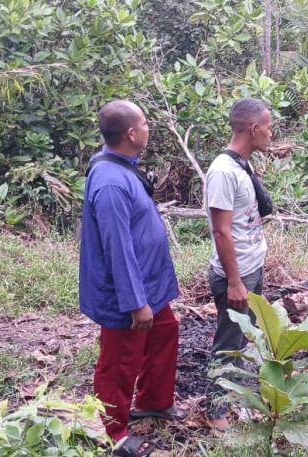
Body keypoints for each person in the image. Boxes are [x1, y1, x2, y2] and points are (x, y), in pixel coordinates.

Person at [79, 100, 183, 457]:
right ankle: (114, 435)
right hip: (128, 293)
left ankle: (154, 402)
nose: (149, 126)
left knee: (166, 330)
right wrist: (136, 304)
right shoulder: (109, 183)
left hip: (150, 284)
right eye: (145, 122)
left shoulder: (123, 166)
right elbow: (117, 249)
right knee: (119, 362)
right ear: (131, 133)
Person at [204, 98, 273, 432]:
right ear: (254, 128)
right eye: (269, 127)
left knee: (245, 341)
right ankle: (215, 411)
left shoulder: (242, 165)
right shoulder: (222, 171)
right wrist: (234, 281)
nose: (271, 135)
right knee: (229, 343)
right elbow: (220, 230)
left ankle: (235, 399)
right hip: (237, 275)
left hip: (251, 268)